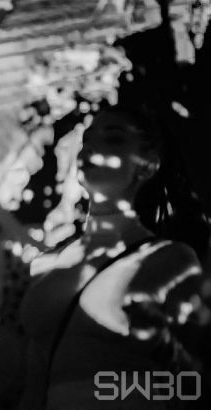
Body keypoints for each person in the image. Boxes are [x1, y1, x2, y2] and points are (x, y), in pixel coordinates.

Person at [19, 104, 209, 410]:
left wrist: (155, 364)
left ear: (147, 165)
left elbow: (196, 384)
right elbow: (34, 384)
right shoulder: (44, 264)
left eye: (114, 138)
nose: (91, 147)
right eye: (87, 138)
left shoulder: (168, 260)